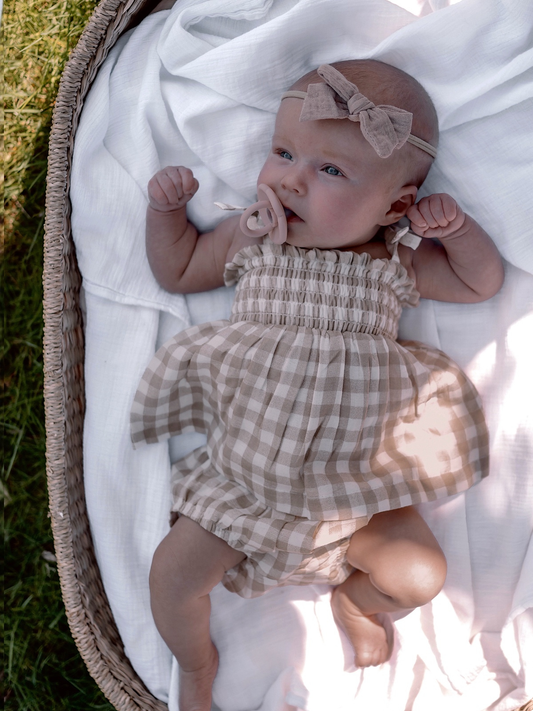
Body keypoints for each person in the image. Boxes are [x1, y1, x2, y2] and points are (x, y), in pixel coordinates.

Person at [130, 60, 504, 711]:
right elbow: (179, 268)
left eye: (330, 170)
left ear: (393, 205)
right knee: (172, 575)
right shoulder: (255, 239)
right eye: (283, 152)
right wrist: (165, 212)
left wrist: (458, 234)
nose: (290, 178)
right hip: (247, 478)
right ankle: (196, 665)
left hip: (355, 488)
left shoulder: (394, 262)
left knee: (419, 576)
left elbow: (481, 284)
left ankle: (358, 601)